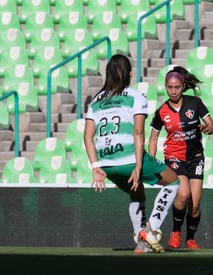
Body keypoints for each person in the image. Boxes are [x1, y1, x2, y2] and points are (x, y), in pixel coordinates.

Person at [83, 54, 180, 253]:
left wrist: (95, 168)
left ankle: (142, 243)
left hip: (107, 165)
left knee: (137, 193)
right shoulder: (136, 96)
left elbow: (87, 137)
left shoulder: (96, 101)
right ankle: (151, 229)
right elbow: (138, 133)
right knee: (173, 181)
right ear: (128, 74)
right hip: (129, 158)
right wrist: (138, 165)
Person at [148, 66, 213, 249]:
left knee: (194, 205)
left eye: (177, 87)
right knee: (183, 193)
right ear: (165, 87)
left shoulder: (195, 103)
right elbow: (153, 138)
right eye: (169, 87)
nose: (173, 91)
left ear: (183, 85)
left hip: (195, 158)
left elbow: (212, 126)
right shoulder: (161, 111)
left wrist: (206, 128)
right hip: (174, 158)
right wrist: (151, 163)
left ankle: (191, 238)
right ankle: (176, 231)